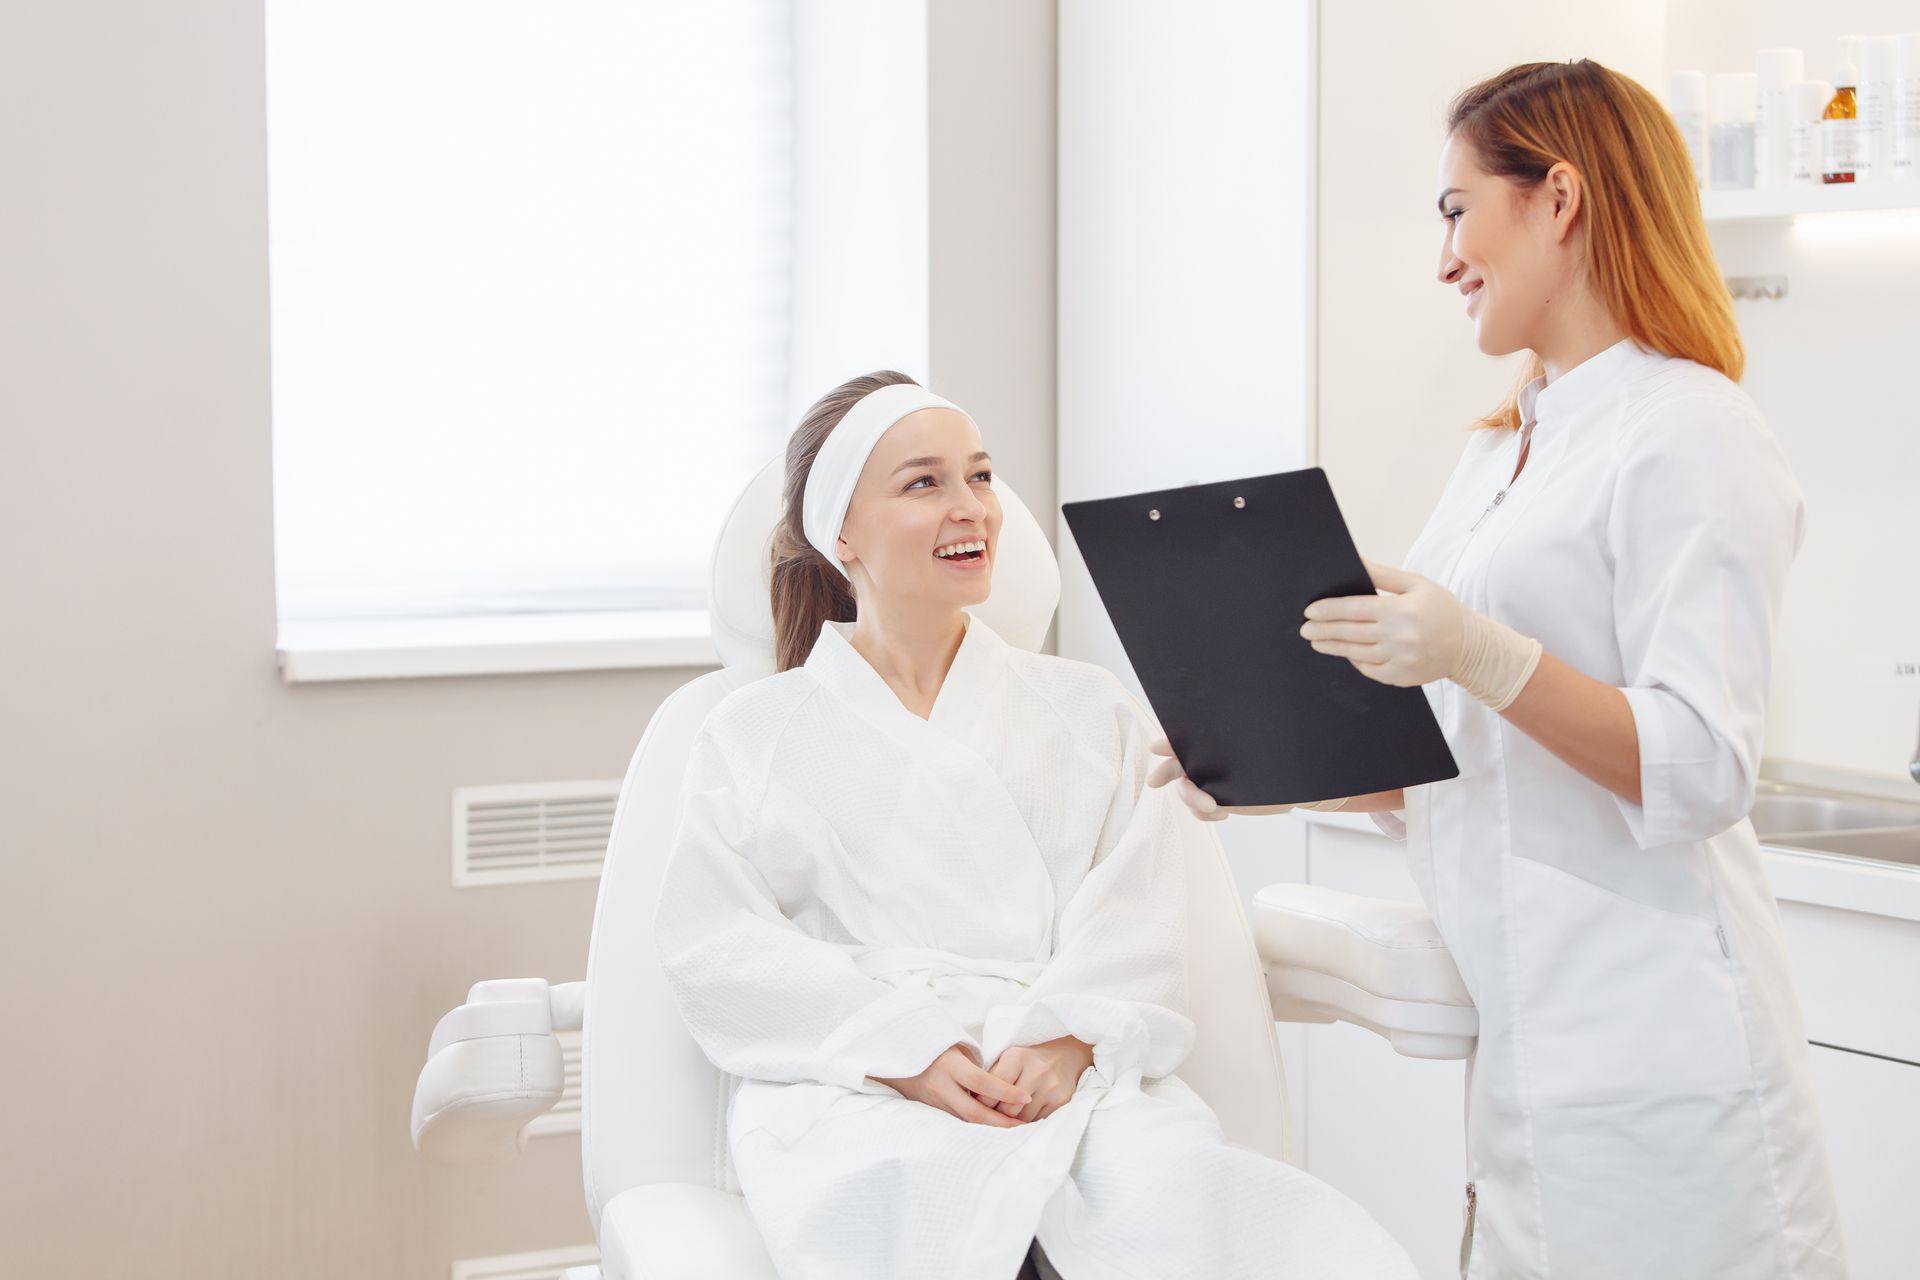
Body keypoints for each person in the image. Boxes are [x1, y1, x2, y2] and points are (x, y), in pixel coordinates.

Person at [1152, 60, 1844, 1278]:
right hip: (1527, 1062)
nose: (1444, 258)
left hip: (1663, 1058)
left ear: (1559, 197)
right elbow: (1456, 765)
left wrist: (1480, 650)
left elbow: (1702, 763)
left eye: (1456, 209)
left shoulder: (1694, 429)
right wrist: (1264, 767)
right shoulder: (1502, 456)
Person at [654, 372, 1416, 1280]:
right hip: (859, 1091)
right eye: (924, 483)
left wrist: (1066, 1038)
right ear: (841, 534)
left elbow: (1140, 905)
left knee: (1217, 1223)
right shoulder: (750, 734)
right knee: (928, 1214)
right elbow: (717, 943)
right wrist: (902, 1049)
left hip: (1067, 1078)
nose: (971, 507)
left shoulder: (1086, 709)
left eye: (979, 476)